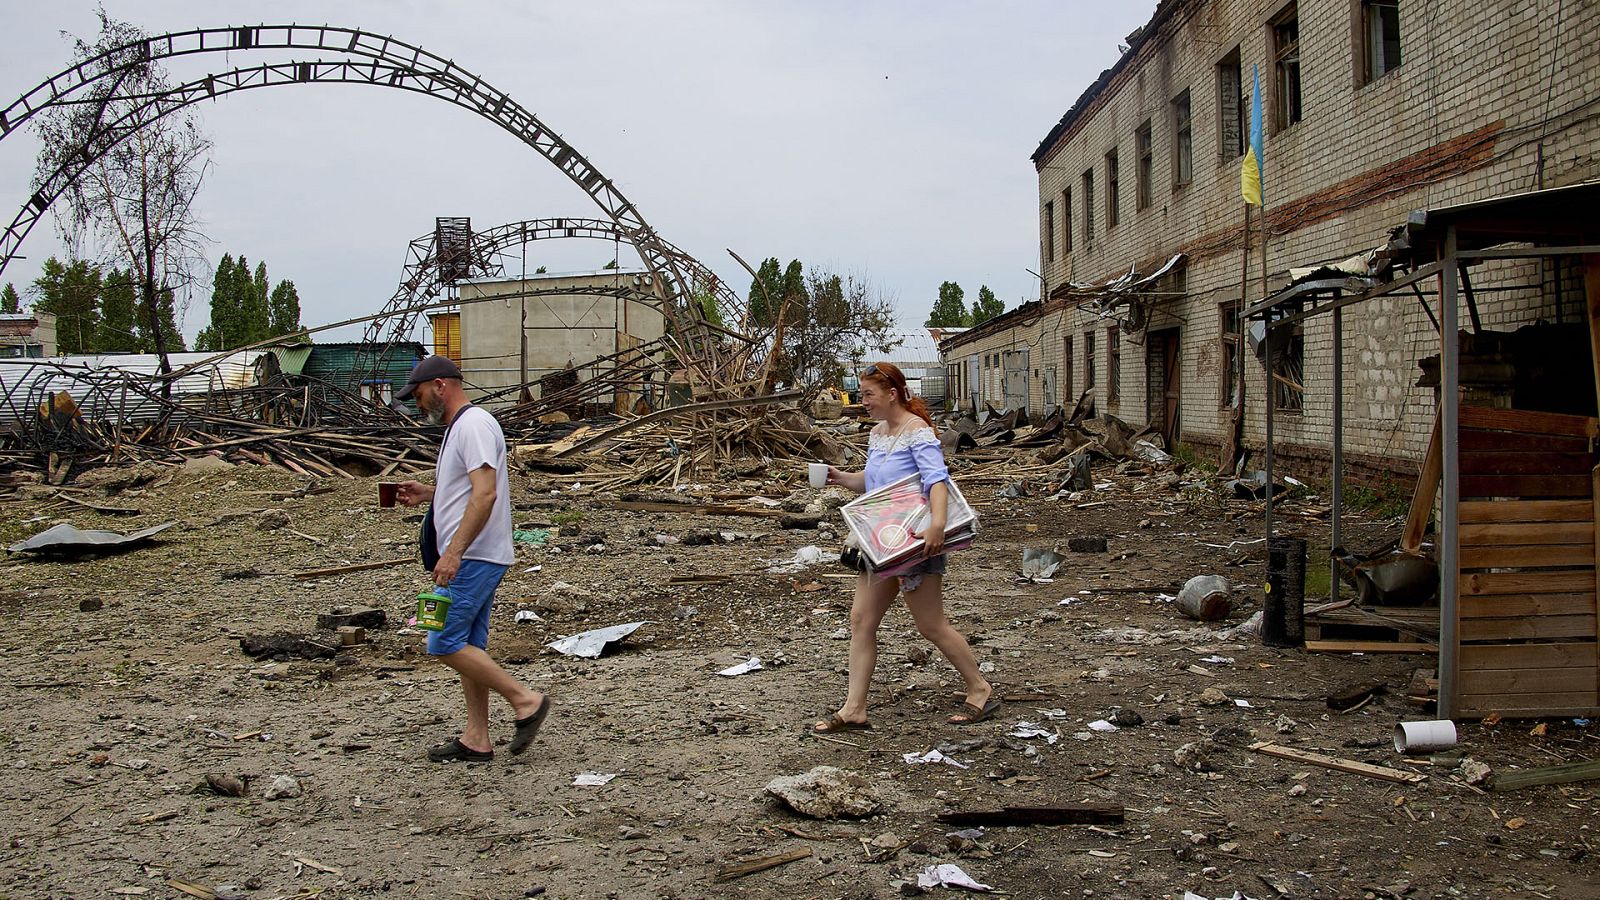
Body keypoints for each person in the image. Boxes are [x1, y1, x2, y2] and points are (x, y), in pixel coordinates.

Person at [813, 362, 997, 733]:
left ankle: (980, 688)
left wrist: (937, 526)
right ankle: (854, 709)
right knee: (861, 621)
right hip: (881, 543)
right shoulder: (879, 433)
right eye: (862, 394)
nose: (862, 401)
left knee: (930, 625)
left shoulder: (918, 433)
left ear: (891, 394)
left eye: (868, 395)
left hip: (915, 543)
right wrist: (840, 477)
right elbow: (873, 480)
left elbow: (937, 481)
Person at [393, 355, 552, 762]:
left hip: (472, 556)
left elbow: (486, 493)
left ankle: (526, 701)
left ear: (441, 386)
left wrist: (453, 553)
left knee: (443, 641)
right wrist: (430, 493)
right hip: (472, 555)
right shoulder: (459, 430)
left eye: (420, 393)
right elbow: (468, 488)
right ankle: (476, 738)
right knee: (468, 644)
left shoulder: (475, 424)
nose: (417, 402)